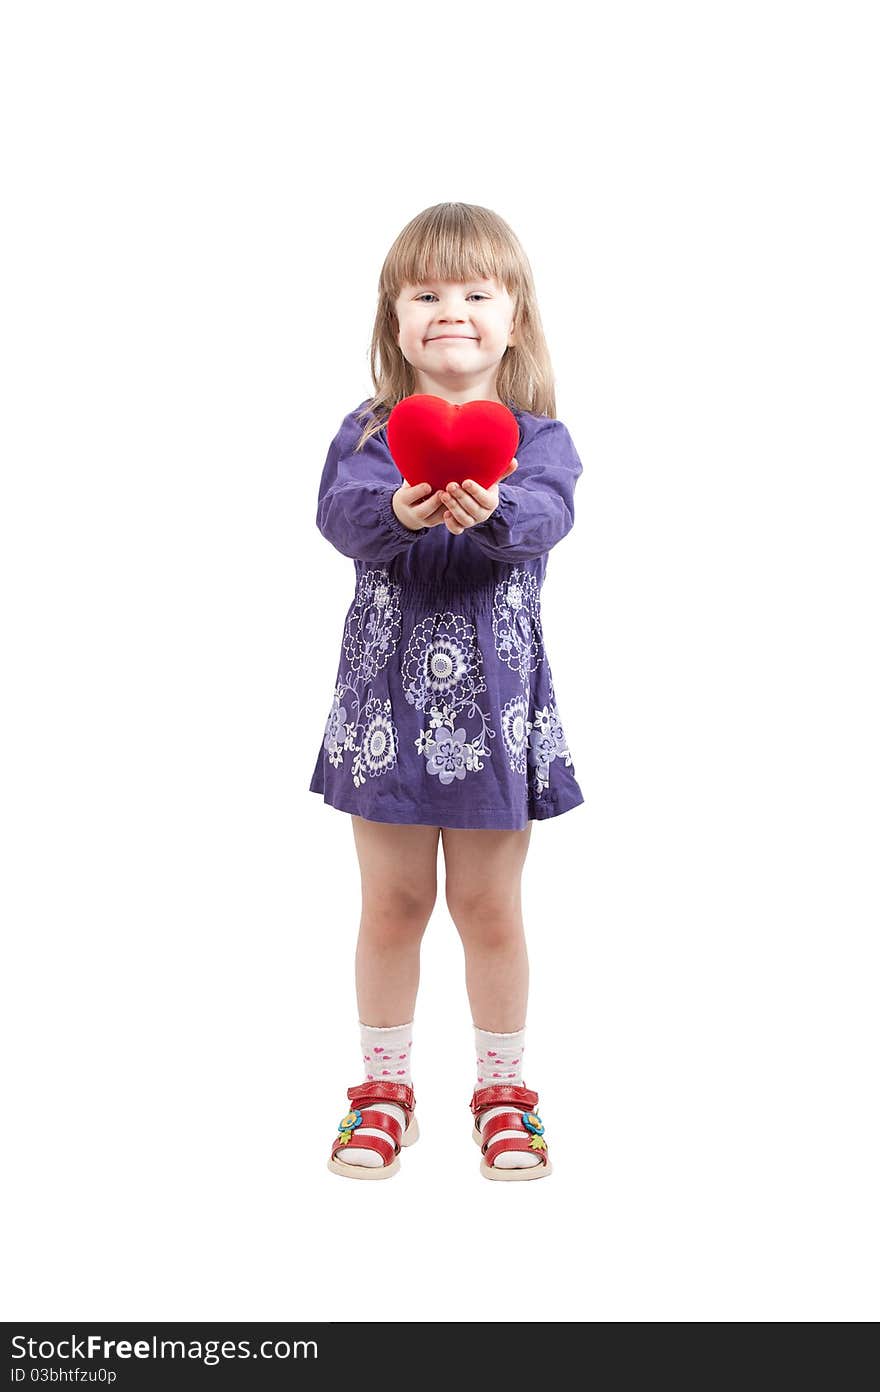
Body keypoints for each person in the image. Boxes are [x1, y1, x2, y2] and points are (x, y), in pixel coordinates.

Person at [309, 202, 585, 1181]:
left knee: (489, 908)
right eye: (424, 292)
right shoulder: (371, 430)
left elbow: (546, 516)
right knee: (389, 904)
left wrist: (491, 504)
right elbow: (340, 515)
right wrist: (396, 505)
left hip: (492, 716)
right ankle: (383, 1091)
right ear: (394, 318)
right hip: (385, 716)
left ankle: (504, 1091)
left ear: (515, 318)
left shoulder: (541, 440)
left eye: (476, 291)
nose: (450, 309)